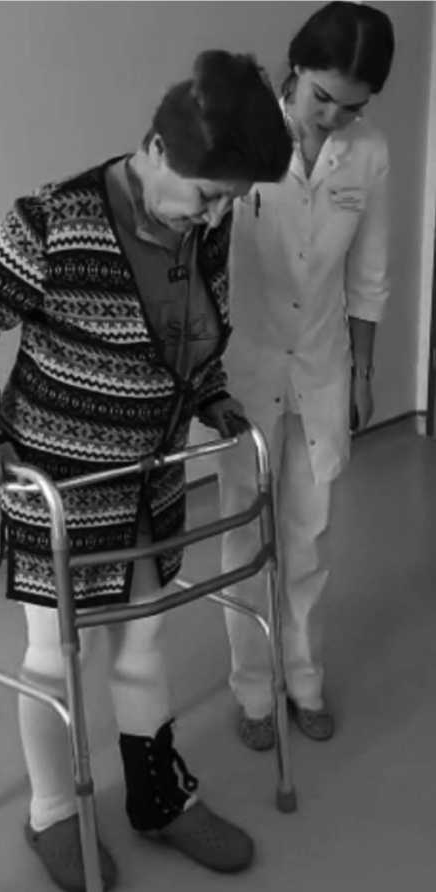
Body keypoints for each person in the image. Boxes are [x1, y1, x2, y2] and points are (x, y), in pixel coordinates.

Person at [0, 50, 292, 891]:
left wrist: (209, 393)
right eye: (208, 195)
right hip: (63, 483)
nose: (216, 215)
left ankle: (158, 799)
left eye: (230, 201)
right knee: (58, 656)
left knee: (145, 635)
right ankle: (52, 813)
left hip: (149, 475)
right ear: (158, 149)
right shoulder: (53, 221)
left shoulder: (204, 224)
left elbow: (193, 329)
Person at [218, 3, 395, 752]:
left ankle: (303, 678)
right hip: (246, 364)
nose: (332, 118)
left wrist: (362, 372)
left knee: (309, 536)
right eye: (322, 97)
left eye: (351, 106)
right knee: (243, 533)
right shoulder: (243, 128)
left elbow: (370, 272)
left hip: (322, 364)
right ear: (295, 67)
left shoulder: (369, 151)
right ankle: (253, 689)